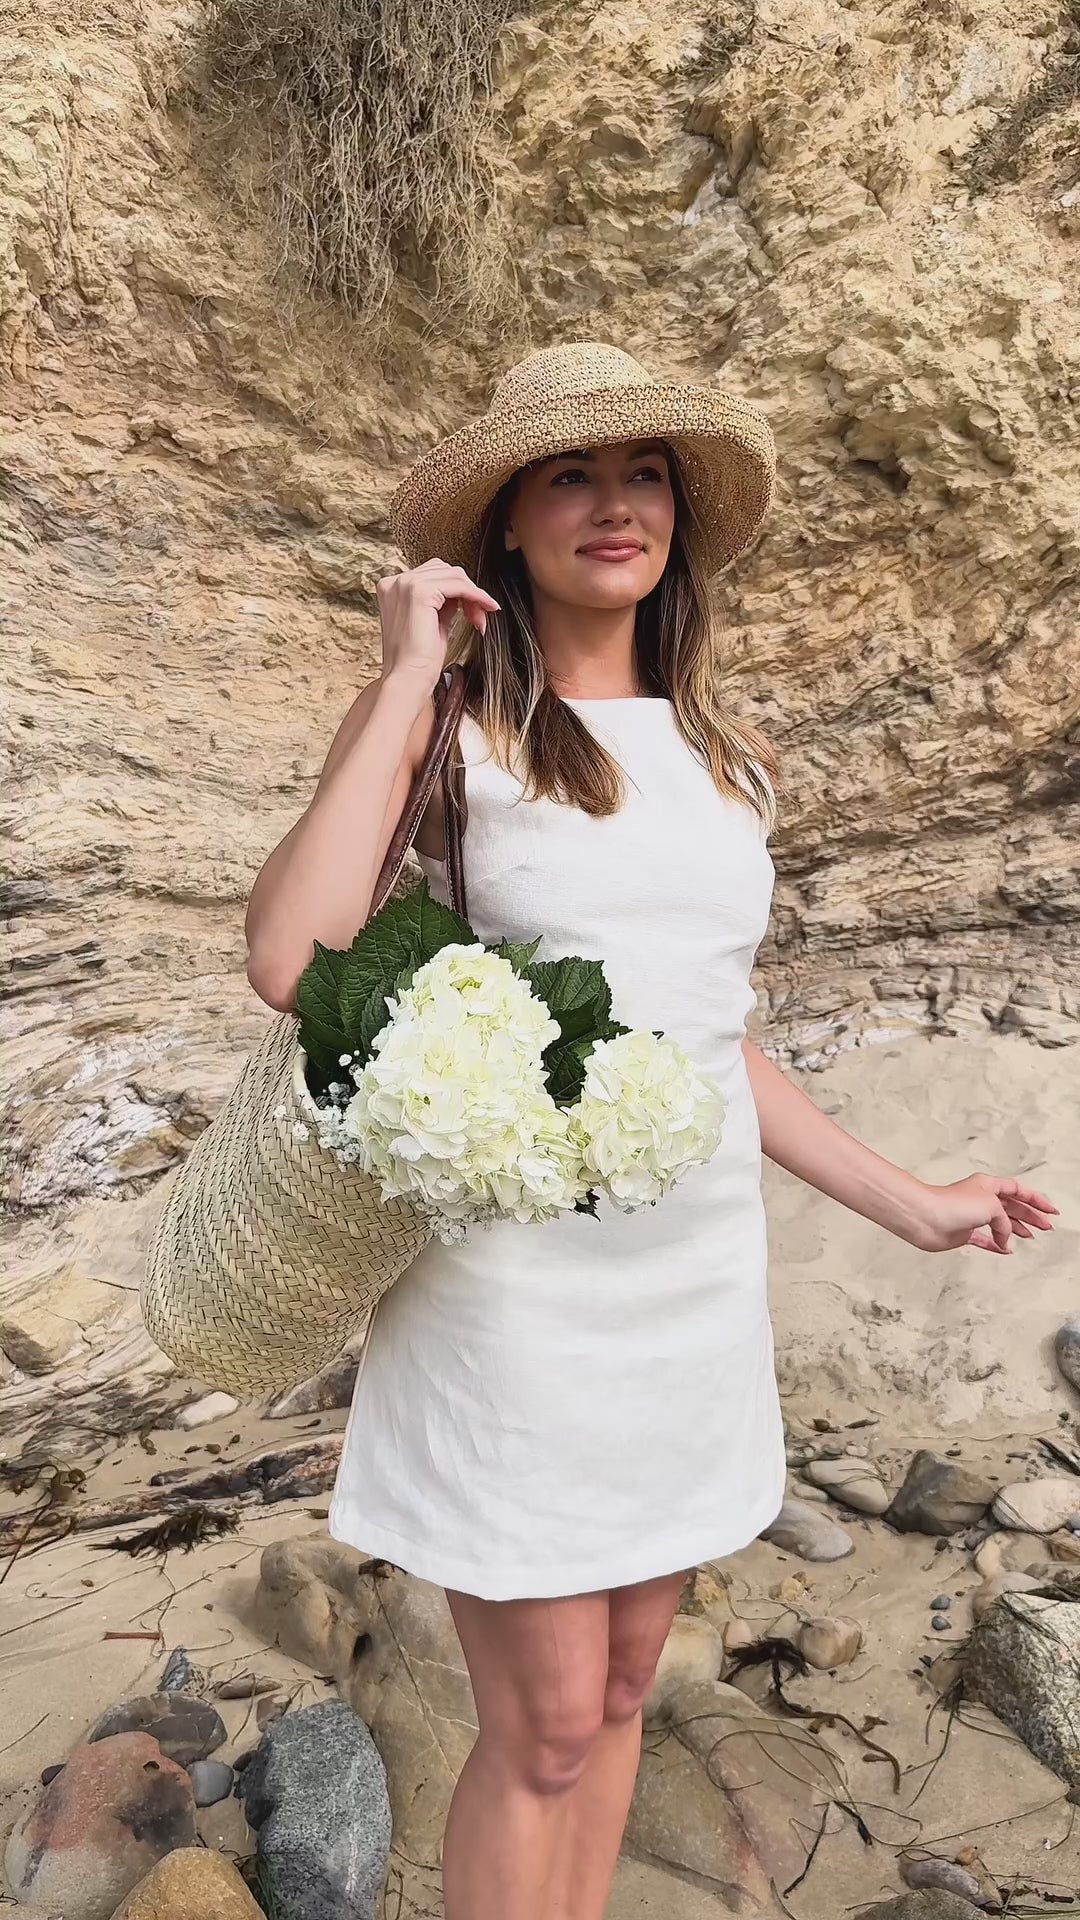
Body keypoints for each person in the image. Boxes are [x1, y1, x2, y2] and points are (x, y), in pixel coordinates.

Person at [243, 341, 1058, 1920]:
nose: (615, 504)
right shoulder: (455, 728)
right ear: (508, 521)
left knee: (621, 1694)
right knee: (539, 1726)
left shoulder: (725, 757)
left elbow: (712, 1036)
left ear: (679, 516)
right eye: (571, 472)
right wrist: (410, 665)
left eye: (644, 474)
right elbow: (292, 958)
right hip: (515, 1292)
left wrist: (911, 1201)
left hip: (689, 1283)